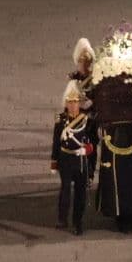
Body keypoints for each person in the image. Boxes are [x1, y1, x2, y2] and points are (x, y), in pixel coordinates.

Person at [50, 81, 96, 235]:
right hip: (66, 159)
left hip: (81, 161)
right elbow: (56, 142)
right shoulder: (61, 121)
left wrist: (86, 151)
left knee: (80, 194)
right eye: (70, 102)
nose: (73, 105)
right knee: (65, 191)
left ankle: (78, 222)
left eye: (76, 102)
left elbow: (93, 142)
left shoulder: (86, 121)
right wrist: (54, 161)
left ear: (80, 103)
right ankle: (62, 219)